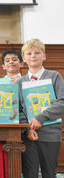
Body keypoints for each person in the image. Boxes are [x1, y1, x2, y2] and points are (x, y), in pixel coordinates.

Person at [17, 38, 64, 178]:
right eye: (29, 53)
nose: (33, 56)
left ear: (44, 56)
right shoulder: (20, 82)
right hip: (29, 137)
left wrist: (40, 118)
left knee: (49, 174)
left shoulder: (54, 76)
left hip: (50, 135)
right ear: (24, 59)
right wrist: (27, 129)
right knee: (29, 174)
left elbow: (62, 101)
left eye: (37, 52)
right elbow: (19, 110)